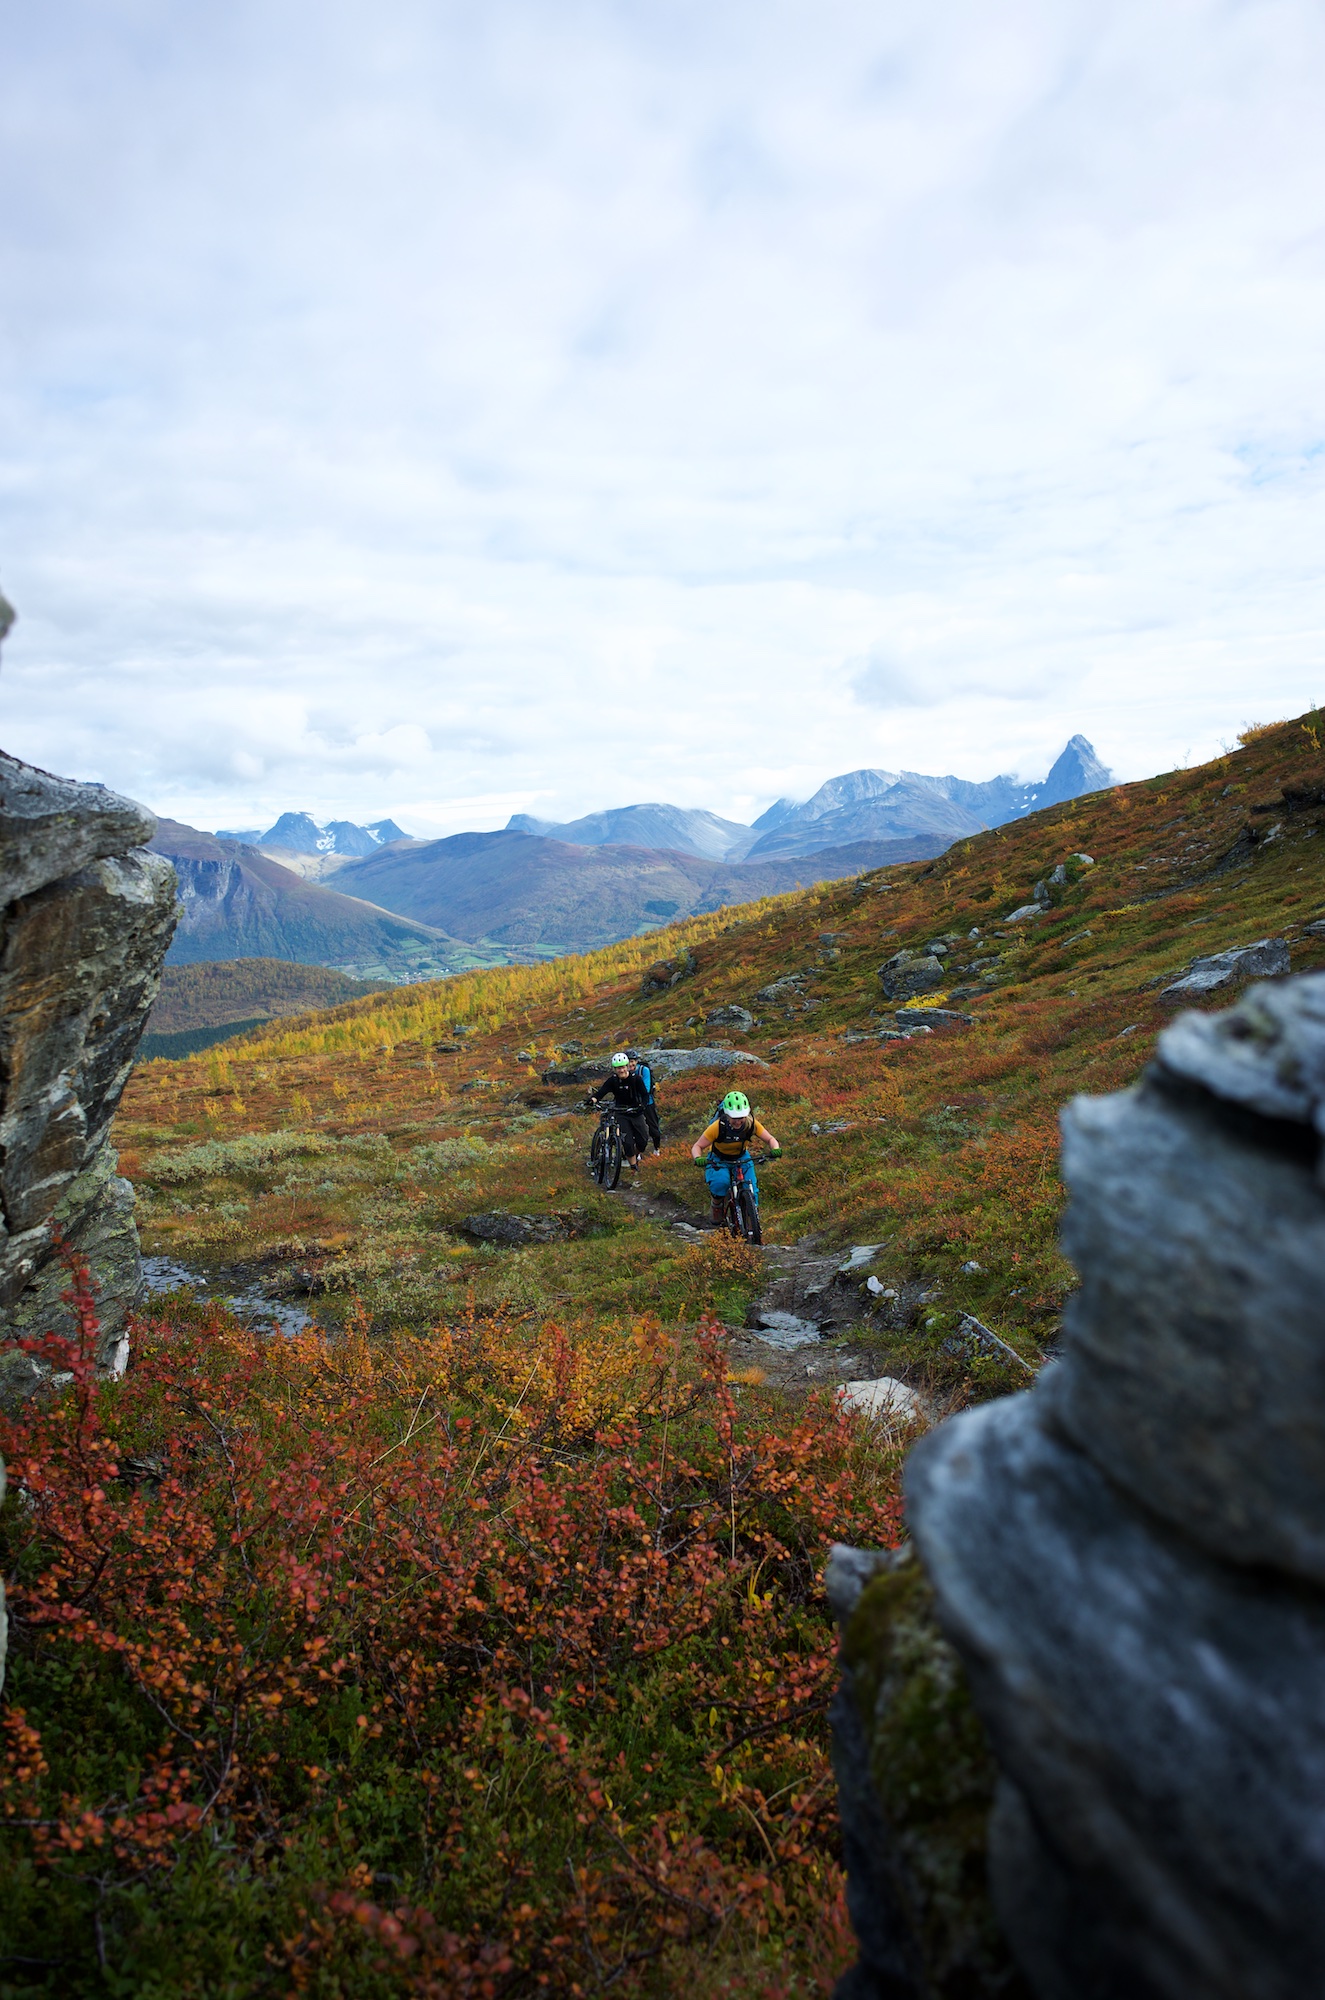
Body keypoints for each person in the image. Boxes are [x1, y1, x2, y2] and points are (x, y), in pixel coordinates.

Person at [691, 1090, 781, 1226]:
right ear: (727, 1115)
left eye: (741, 1118)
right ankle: (716, 1205)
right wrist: (698, 1158)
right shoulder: (717, 1127)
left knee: (751, 1187)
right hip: (719, 1158)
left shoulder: (751, 1124)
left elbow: (770, 1139)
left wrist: (775, 1149)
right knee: (720, 1183)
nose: (738, 1122)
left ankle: (751, 1219)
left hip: (742, 1157)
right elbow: (697, 1146)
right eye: (734, 1118)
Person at [587, 1052, 652, 1171]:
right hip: (621, 1113)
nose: (621, 1070)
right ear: (615, 1069)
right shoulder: (613, 1080)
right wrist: (593, 1099)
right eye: (618, 1068)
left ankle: (634, 1155)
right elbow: (601, 1092)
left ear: (627, 1066)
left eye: (622, 1067)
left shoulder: (636, 1079)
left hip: (636, 1112)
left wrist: (642, 1105)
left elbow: (645, 1095)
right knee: (627, 1142)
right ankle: (633, 1167)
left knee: (642, 1141)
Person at [629, 1048, 662, 1154]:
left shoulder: (644, 1071)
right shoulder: (625, 1073)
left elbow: (646, 1089)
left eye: (632, 1061)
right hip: (632, 1104)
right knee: (633, 1129)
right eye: (628, 1062)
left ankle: (657, 1149)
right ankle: (637, 1152)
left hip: (647, 1103)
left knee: (653, 1128)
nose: (630, 1064)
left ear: (636, 1061)